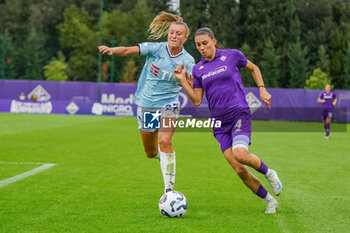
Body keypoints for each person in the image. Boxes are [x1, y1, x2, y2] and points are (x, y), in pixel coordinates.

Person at [173, 27, 283, 214]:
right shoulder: (198, 69)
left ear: (214, 41)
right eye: (198, 45)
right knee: (239, 170)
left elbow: (254, 68)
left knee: (240, 154)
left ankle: (269, 173)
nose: (201, 48)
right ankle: (270, 201)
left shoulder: (232, 55)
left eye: (205, 43)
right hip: (219, 124)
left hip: (239, 113)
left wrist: (262, 89)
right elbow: (197, 100)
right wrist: (183, 81)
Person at [98, 12, 195, 193]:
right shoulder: (156, 49)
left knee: (165, 141)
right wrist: (112, 51)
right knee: (150, 153)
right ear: (168, 33)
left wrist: (186, 80)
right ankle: (164, 158)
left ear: (185, 38)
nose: (174, 36)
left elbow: (191, 85)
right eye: (172, 32)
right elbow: (128, 50)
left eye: (179, 34)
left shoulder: (188, 60)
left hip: (169, 105)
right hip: (147, 105)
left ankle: (169, 190)